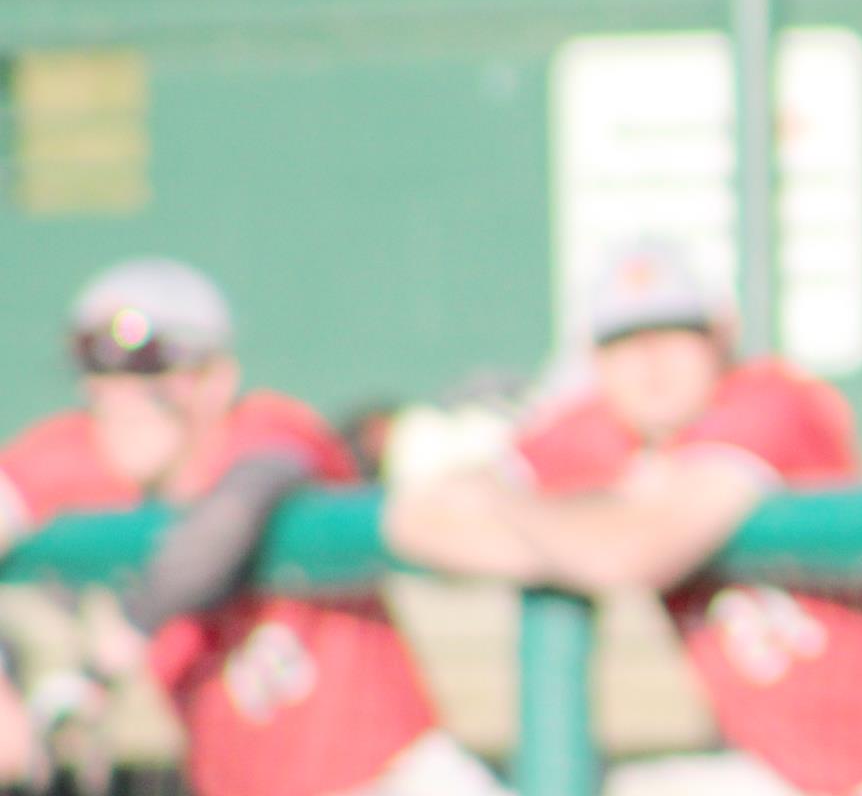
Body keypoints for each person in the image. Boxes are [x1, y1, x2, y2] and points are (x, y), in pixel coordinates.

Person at [383, 239, 862, 796]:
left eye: (672, 332)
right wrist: (571, 528)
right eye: (624, 341)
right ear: (595, 359)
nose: (650, 362)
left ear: (719, 335)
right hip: (800, 772)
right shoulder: (602, 430)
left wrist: (530, 517)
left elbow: (636, 553)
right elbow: (414, 520)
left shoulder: (772, 402)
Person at [0, 257, 508, 796]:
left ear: (215, 380)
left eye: (152, 372)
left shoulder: (266, 428)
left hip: (392, 780)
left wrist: (118, 643)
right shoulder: (85, 449)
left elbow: (232, 513)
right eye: (101, 371)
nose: (124, 396)